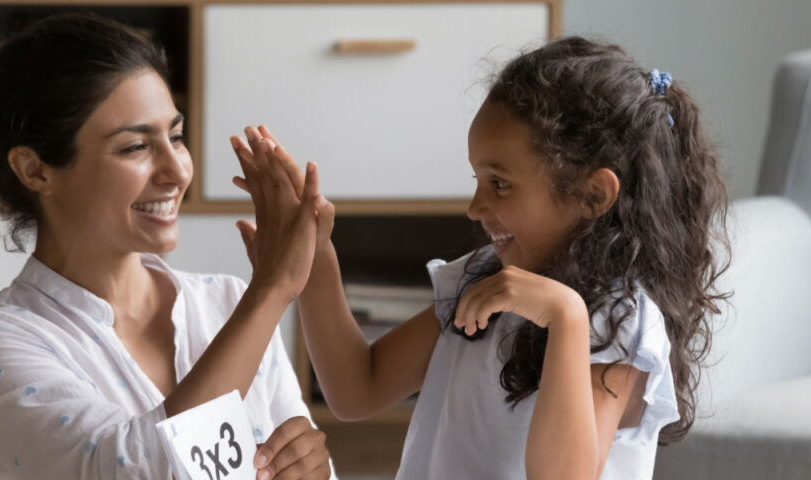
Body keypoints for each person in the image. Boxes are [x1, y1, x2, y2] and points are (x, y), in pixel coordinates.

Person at [231, 37, 730, 479]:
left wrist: (565, 317)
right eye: (477, 180)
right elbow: (356, 389)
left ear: (592, 196)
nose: (476, 207)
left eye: (500, 184)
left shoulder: (617, 321)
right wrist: (316, 259)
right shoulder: (485, 280)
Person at [0, 13, 334, 480]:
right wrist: (270, 290)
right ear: (35, 170)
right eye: (135, 147)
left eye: (175, 137)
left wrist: (310, 469)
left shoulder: (228, 303)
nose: (176, 171)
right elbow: (134, 470)